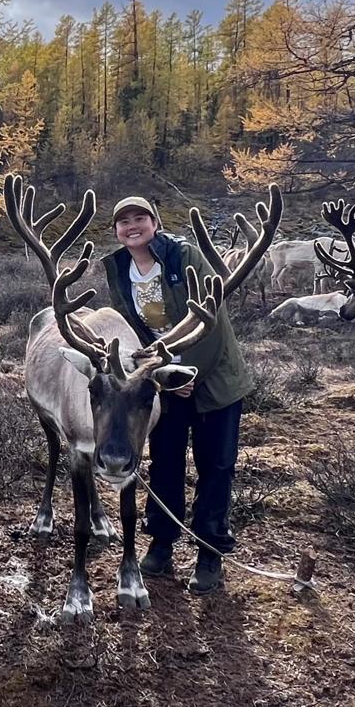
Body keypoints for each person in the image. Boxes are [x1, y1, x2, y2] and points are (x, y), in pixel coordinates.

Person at [100, 194, 254, 594]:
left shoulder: (184, 256)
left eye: (140, 218)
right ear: (116, 231)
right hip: (160, 381)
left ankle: (209, 552)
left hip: (214, 380)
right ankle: (162, 542)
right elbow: (133, 330)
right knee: (165, 462)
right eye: (123, 221)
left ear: (155, 222)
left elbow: (212, 320)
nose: (132, 226)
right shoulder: (118, 269)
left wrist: (190, 373)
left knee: (215, 467)